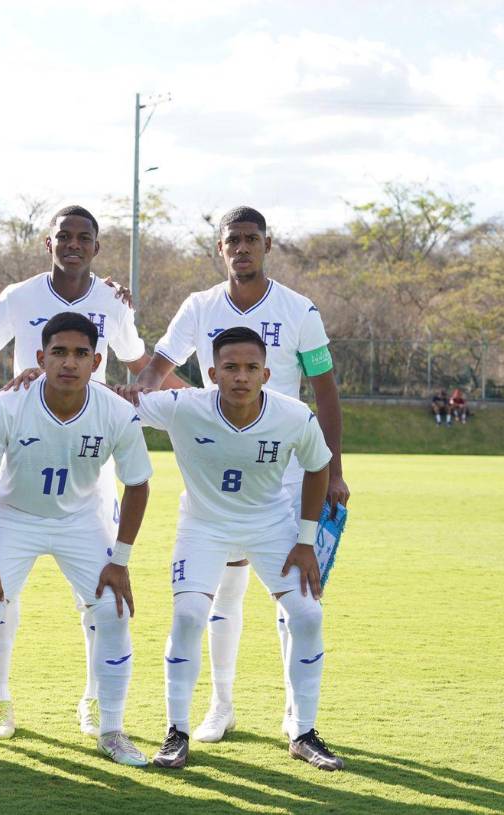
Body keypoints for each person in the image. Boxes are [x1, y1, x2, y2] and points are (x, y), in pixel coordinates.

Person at [0, 205, 185, 739]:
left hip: (88, 464)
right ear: (48, 243)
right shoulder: (20, 297)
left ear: (96, 247)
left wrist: (204, 401)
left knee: (102, 604)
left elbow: (137, 365)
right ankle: (0, 699)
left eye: (84, 237)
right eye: (64, 236)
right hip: (24, 452)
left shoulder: (111, 299)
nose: (73, 244)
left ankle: (95, 706)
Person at [129, 205, 349, 743]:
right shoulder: (199, 306)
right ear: (221, 248)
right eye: (234, 240)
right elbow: (157, 370)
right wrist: (144, 406)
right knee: (220, 594)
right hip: (224, 465)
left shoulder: (300, 310)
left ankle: (298, 721)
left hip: (292, 470)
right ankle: (220, 707)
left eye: (252, 239)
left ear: (267, 245)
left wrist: (335, 470)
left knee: (298, 598)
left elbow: (324, 391)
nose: (243, 248)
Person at [119, 326, 343, 771]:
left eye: (250, 368)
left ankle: (303, 732)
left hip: (271, 526)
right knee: (186, 617)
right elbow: (114, 400)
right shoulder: (183, 406)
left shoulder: (293, 415)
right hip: (203, 527)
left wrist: (304, 541)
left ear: (266, 372)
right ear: (211, 373)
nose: (241, 376)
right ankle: (176, 732)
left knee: (308, 615)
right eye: (230, 368)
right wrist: (40, 376)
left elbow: (319, 467)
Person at [0, 312, 152, 767]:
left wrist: (121, 559)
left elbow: (138, 484)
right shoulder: (8, 405)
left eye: (80, 354)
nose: (69, 363)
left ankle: (112, 729)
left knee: (113, 610)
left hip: (81, 518)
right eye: (59, 352)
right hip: (14, 516)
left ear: (97, 361)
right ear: (41, 357)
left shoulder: (115, 411)